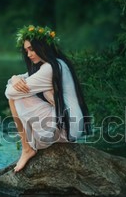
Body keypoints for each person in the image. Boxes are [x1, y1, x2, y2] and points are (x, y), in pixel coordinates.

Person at [5, 25, 91, 172]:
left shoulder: (49, 68)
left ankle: (27, 148)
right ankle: (27, 148)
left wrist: (13, 84)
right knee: (18, 93)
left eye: (32, 49)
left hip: (66, 126)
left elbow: (11, 93)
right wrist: (13, 78)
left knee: (15, 99)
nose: (29, 54)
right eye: (26, 51)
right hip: (72, 126)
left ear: (43, 47)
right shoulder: (58, 64)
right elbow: (19, 80)